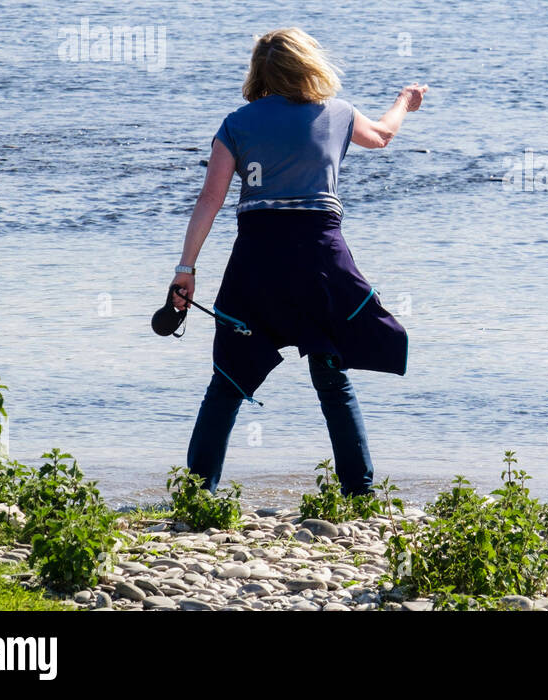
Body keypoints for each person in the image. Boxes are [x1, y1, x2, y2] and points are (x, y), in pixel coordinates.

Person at [168, 27, 427, 495]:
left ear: (259, 71)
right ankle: (358, 493)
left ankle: (197, 494)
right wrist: (404, 100)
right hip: (319, 261)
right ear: (310, 64)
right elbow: (384, 136)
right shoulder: (340, 113)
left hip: (256, 263)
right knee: (331, 375)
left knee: (228, 380)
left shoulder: (237, 123)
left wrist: (185, 270)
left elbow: (210, 199)